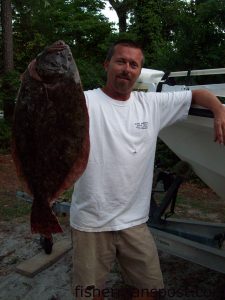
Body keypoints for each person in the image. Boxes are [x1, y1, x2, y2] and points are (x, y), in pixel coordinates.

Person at [70, 39, 225, 300]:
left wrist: (219, 110)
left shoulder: (151, 105)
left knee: (149, 290)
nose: (127, 69)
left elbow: (198, 94)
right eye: (121, 61)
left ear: (139, 72)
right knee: (89, 294)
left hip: (134, 222)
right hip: (90, 223)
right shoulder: (83, 102)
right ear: (107, 64)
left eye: (134, 64)